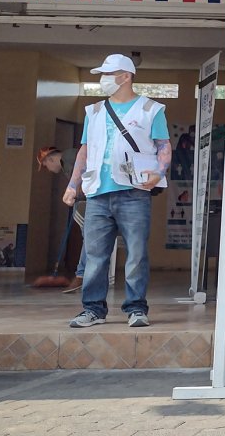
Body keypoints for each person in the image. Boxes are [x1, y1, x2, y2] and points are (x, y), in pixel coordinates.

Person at [62, 54, 171, 328]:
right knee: (95, 256)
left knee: (136, 254)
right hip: (98, 193)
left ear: (126, 76)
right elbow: (84, 151)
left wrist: (159, 172)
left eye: (109, 74)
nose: (104, 79)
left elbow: (163, 146)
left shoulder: (151, 109)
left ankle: (136, 309)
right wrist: (73, 185)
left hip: (134, 193)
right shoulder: (94, 111)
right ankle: (93, 310)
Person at [37, 147, 88, 293]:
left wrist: (75, 195)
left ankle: (81, 275)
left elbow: (82, 179)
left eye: (46, 165)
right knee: (89, 238)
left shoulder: (69, 158)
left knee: (89, 237)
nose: (48, 169)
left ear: (51, 159)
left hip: (93, 201)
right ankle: (82, 275)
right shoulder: (68, 159)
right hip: (88, 200)